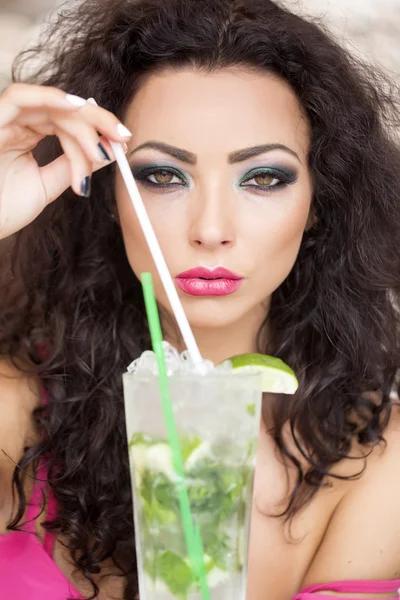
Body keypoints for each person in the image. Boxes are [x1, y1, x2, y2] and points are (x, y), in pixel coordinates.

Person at [1, 0, 400, 598]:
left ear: (320, 199)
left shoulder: (376, 462)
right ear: (109, 194)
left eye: (264, 177)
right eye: (163, 175)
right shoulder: (15, 409)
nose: (210, 229)